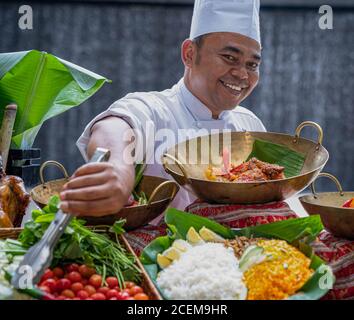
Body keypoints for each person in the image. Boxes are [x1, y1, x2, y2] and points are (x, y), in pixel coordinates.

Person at [60, 0, 266, 217]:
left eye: (252, 65)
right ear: (189, 54)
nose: (243, 75)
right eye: (230, 58)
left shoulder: (250, 125)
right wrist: (118, 169)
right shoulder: (155, 110)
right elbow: (114, 126)